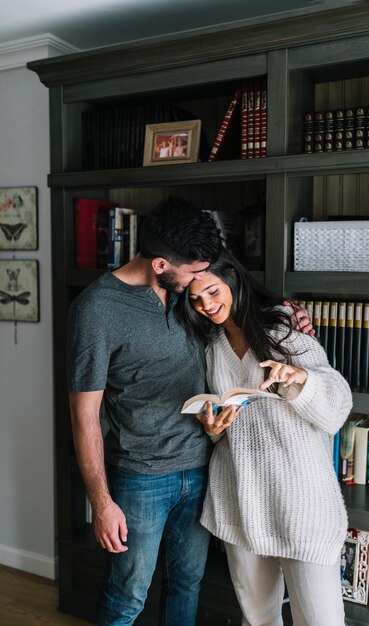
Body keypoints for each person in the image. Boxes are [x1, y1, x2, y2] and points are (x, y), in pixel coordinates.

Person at [66, 197, 313, 626]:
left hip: (201, 468)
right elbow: (84, 415)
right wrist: (101, 502)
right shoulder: (96, 311)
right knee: (127, 596)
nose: (202, 282)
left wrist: (287, 310)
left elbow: (235, 298)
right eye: (195, 271)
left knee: (186, 587)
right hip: (139, 477)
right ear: (160, 263)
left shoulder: (186, 296)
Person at [181, 248, 353, 626]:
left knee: (321, 621)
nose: (206, 305)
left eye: (212, 291)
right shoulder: (210, 347)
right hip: (241, 502)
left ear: (232, 279)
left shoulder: (282, 329)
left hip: (302, 505)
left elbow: (337, 408)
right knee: (258, 621)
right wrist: (214, 430)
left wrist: (301, 380)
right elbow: (221, 427)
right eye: (195, 299)